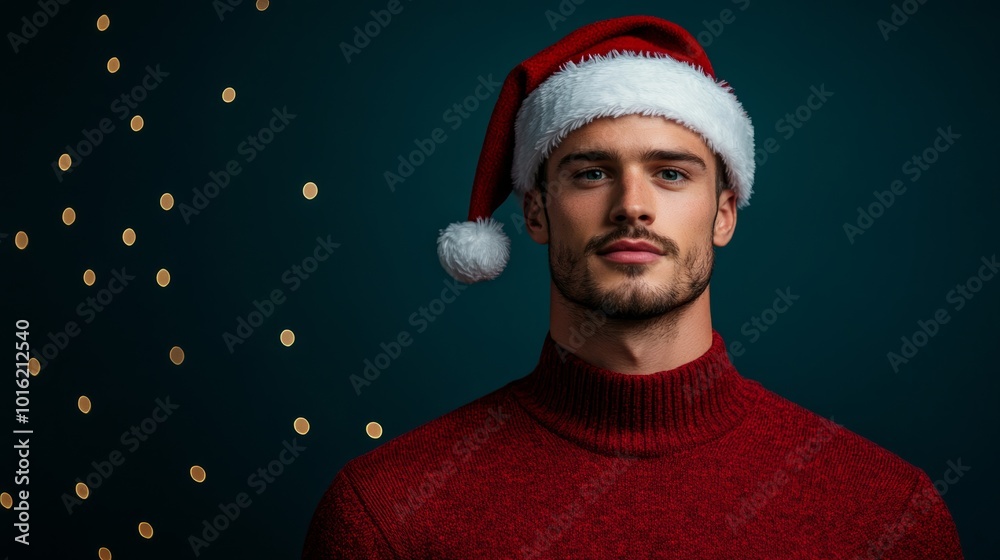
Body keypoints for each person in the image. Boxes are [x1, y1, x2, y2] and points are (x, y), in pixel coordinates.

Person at [302, 15, 963, 559]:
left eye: (672, 174)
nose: (632, 206)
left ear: (725, 212)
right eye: (591, 173)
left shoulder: (884, 514)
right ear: (535, 211)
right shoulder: (388, 513)